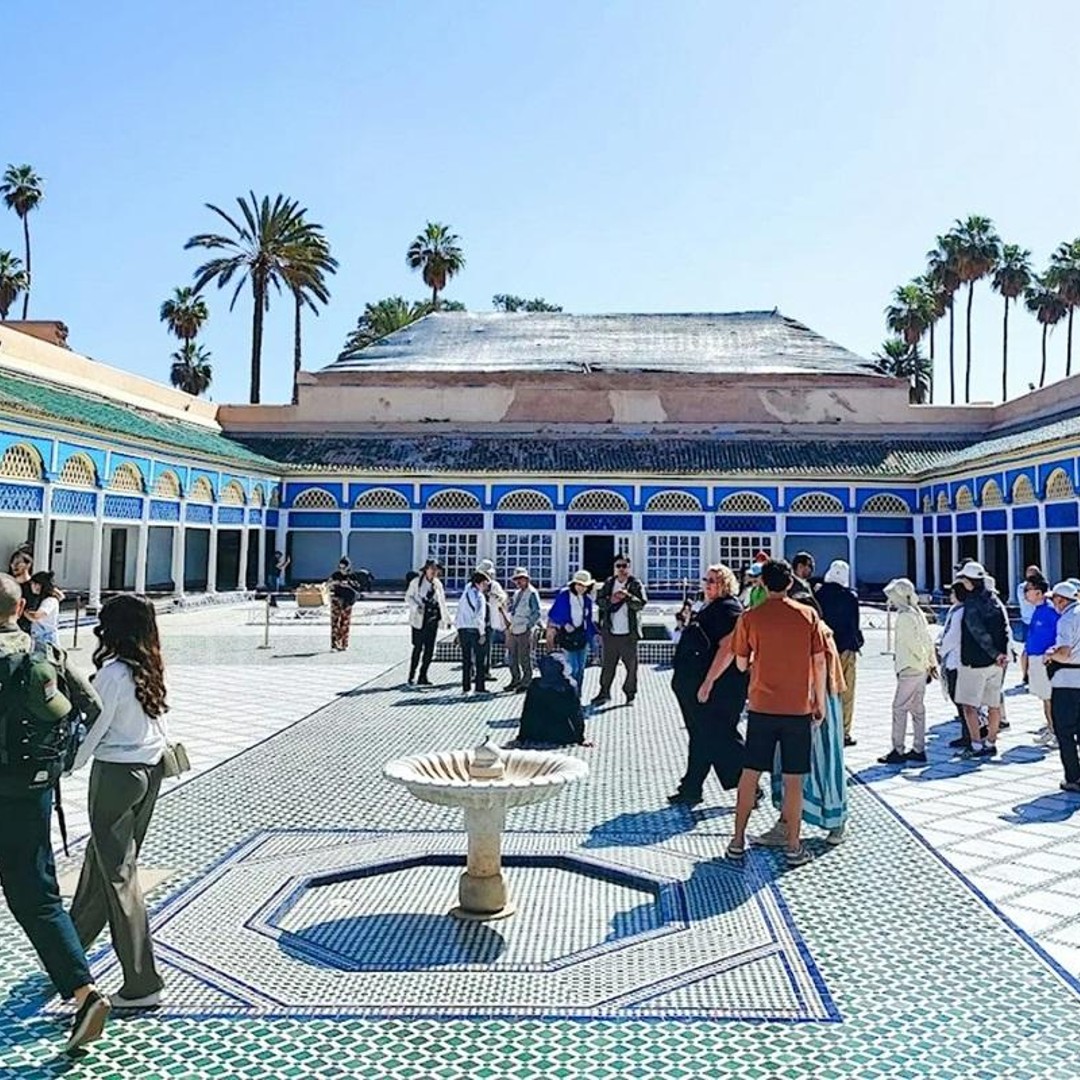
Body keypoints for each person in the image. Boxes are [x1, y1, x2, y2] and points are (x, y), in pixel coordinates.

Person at [0, 572, 110, 1053]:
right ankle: (84, 993)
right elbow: (93, 708)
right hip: (31, 789)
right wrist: (64, 761)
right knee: (38, 895)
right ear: (22, 606)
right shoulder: (46, 654)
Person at [70, 594, 169, 1013]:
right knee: (102, 862)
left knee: (118, 875)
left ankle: (142, 980)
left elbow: (93, 729)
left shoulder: (111, 675)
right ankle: (69, 951)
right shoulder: (147, 667)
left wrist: (68, 765)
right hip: (149, 771)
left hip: (115, 776)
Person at [727, 559, 827, 867]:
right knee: (794, 779)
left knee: (750, 774)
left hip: (761, 707)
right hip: (797, 708)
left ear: (762, 584)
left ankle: (737, 841)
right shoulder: (808, 615)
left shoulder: (750, 617)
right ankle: (793, 846)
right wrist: (819, 702)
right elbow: (820, 662)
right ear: (789, 584)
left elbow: (741, 663)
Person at [756, 622, 849, 846]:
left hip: (818, 703)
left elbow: (821, 666)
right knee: (789, 762)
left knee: (821, 761)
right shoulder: (792, 629)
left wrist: (818, 704)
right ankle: (785, 822)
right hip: (793, 703)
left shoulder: (818, 631)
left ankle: (835, 821)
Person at [667, 563, 749, 807]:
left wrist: (709, 682)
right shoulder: (709, 607)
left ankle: (748, 784)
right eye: (707, 579)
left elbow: (728, 647)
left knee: (720, 735)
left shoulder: (729, 608)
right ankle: (692, 787)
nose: (708, 584)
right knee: (701, 735)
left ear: (726, 584)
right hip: (694, 684)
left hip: (720, 687)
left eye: (714, 580)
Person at [877, 578, 937, 765]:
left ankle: (898, 749)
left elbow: (914, 644)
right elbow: (927, 640)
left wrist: (920, 661)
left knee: (899, 707)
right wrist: (930, 663)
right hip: (920, 668)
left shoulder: (904, 616)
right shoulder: (916, 612)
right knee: (917, 709)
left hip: (910, 666)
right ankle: (918, 748)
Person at [954, 561, 1010, 759]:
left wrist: (994, 653)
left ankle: (976, 745)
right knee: (993, 704)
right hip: (996, 664)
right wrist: (1001, 654)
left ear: (969, 582)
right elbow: (1004, 627)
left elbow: (978, 632)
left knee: (969, 705)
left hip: (975, 662)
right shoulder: (994, 599)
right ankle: (991, 741)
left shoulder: (970, 603)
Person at [815, 559, 862, 747]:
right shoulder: (850, 597)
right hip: (846, 649)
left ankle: (825, 726)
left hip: (825, 648)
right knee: (847, 691)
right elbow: (854, 625)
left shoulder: (819, 595)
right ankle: (844, 732)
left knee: (824, 688)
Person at [593, 554, 647, 706]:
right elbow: (600, 602)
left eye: (624, 566)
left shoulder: (635, 584)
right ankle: (604, 693)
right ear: (615, 568)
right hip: (611, 633)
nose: (622, 569)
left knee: (631, 667)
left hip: (629, 634)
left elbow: (641, 604)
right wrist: (612, 599)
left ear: (629, 567)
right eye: (619, 566)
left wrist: (628, 596)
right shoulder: (609, 583)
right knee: (607, 666)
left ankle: (630, 695)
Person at [1046, 582, 1080, 792]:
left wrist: (1050, 655)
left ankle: (1073, 777)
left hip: (1068, 680)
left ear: (1061, 600)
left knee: (1065, 731)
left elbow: (1065, 652)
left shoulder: (1067, 619)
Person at [545, 570, 596, 698]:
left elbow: (588, 620)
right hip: (568, 637)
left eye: (584, 586)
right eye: (579, 584)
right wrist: (564, 624)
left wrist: (594, 636)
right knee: (573, 667)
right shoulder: (564, 596)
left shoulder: (587, 600)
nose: (581, 588)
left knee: (581, 668)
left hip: (582, 636)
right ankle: (569, 694)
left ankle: (577, 694)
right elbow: (554, 614)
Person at [516, 652, 586, 745]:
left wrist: (521, 738)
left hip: (536, 733)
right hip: (562, 735)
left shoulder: (535, 685)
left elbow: (527, 713)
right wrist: (581, 739)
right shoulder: (568, 686)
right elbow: (576, 714)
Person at [1023, 579, 1060, 747]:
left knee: (1050, 698)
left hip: (1046, 660)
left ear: (1038, 592)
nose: (1025, 593)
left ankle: (1057, 732)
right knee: (1044, 698)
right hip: (1035, 658)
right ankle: (1051, 729)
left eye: (1028, 589)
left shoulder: (1051, 611)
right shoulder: (1037, 611)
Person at [938, 582, 974, 750]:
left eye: (952, 593)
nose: (950, 596)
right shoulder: (956, 610)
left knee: (960, 699)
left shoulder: (961, 612)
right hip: (955, 659)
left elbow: (952, 636)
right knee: (959, 699)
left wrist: (941, 650)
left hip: (958, 660)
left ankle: (970, 734)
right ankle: (967, 732)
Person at [405, 560, 450, 686]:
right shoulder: (416, 583)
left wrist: (446, 619)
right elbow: (408, 597)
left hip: (432, 618)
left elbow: (442, 602)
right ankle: (411, 675)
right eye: (432, 569)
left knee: (430, 649)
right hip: (420, 618)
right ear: (426, 569)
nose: (434, 572)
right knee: (418, 648)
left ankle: (423, 674)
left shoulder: (437, 584)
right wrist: (416, 606)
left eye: (436, 569)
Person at [505, 568, 541, 692]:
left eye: (521, 579)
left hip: (524, 629)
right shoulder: (516, 593)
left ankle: (526, 682)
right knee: (512, 656)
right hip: (514, 627)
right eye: (516, 579)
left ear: (526, 579)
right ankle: (515, 680)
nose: (518, 582)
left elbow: (536, 613)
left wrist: (528, 626)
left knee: (524, 657)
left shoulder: (532, 593)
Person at [454, 569, 489, 695]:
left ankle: (466, 687)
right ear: (480, 583)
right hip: (474, 630)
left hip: (463, 629)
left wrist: (457, 629)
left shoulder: (464, 594)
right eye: (485, 583)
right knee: (479, 659)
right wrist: (482, 633)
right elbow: (479, 615)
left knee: (466, 660)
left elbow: (458, 613)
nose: (486, 586)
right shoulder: (480, 597)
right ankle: (479, 687)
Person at [475, 559, 507, 686]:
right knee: (475, 648)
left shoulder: (494, 585)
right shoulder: (474, 586)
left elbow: (503, 597)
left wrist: (496, 597)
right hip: (477, 621)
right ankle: (475, 672)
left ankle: (486, 671)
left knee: (487, 647)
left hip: (489, 621)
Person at [1016, 564, 1044, 685]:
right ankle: (1025, 675)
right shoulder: (1023, 587)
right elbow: (1028, 601)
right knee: (1027, 649)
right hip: (1029, 620)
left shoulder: (1042, 586)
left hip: (1040, 619)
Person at [327, 557, 361, 652]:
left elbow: (357, 588)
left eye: (343, 567)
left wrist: (347, 584)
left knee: (345, 623)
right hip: (336, 599)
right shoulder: (335, 575)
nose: (341, 570)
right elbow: (327, 584)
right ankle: (334, 644)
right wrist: (334, 583)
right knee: (335, 622)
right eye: (340, 567)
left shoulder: (352, 576)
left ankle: (343, 644)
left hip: (347, 602)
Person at [24, 570, 61, 651]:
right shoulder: (41, 599)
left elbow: (36, 616)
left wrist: (23, 611)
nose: (32, 586)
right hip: (39, 637)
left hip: (47, 638)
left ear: (39, 585)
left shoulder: (50, 601)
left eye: (33, 584)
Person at [10, 549, 36, 633]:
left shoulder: (34, 585)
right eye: (12, 563)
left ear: (28, 565)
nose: (14, 566)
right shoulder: (8, 583)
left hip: (26, 627)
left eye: (18, 563)